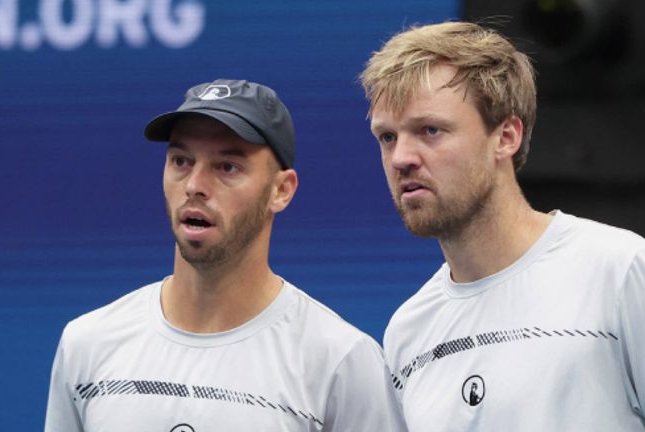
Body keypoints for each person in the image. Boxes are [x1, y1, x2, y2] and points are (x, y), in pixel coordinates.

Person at [360, 21, 645, 431]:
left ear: (506, 136)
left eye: (430, 130)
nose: (402, 159)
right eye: (387, 138)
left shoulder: (619, 270)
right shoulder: (407, 331)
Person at [44, 79, 406, 431]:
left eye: (227, 167)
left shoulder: (340, 361)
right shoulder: (87, 345)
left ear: (281, 190)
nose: (194, 186)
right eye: (181, 161)